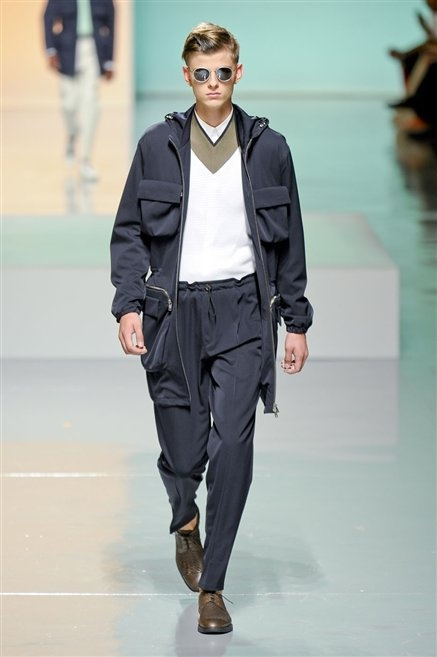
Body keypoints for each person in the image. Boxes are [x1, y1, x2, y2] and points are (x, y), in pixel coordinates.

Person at [110, 22, 313, 635]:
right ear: (187, 76)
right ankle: (185, 518)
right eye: (203, 73)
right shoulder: (158, 145)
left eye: (223, 71)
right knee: (183, 452)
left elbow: (290, 243)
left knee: (233, 446)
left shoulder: (269, 149)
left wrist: (296, 321)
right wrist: (128, 305)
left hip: (244, 312)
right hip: (174, 314)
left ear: (238, 72)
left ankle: (214, 586)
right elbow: (129, 230)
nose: (214, 82)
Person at [43, 0, 115, 181]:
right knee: (68, 105)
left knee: (91, 104)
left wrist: (110, 60)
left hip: (94, 51)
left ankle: (85, 160)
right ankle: (72, 133)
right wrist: (50, 50)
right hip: (67, 52)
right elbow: (48, 17)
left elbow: (112, 23)